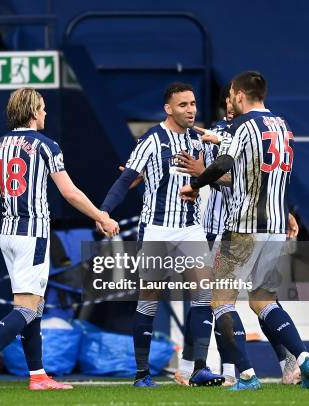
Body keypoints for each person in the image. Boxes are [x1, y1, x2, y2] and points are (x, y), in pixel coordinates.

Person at [0, 87, 119, 391]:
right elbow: (69, 192)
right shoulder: (46, 145)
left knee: (32, 307)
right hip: (33, 234)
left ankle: (38, 375)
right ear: (31, 112)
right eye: (41, 108)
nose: (45, 113)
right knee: (27, 308)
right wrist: (100, 216)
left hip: (8, 234)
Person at [180, 70, 309, 390]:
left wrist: (195, 184)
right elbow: (279, 176)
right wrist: (288, 212)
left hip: (244, 226)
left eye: (232, 94)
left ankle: (246, 376)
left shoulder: (244, 125)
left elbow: (222, 165)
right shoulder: (283, 126)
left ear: (242, 96)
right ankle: (304, 359)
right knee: (263, 300)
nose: (229, 100)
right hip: (275, 225)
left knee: (220, 300)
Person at [99, 82, 223, 387]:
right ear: (168, 109)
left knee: (204, 295)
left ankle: (199, 368)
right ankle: (142, 373)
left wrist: (201, 179)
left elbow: (214, 174)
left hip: (191, 228)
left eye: (193, 103)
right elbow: (127, 177)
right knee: (150, 297)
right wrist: (104, 211)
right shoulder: (152, 140)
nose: (191, 109)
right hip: (157, 228)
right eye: (183, 105)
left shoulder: (200, 140)